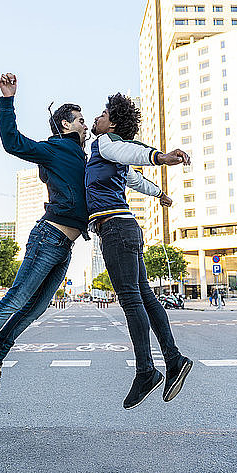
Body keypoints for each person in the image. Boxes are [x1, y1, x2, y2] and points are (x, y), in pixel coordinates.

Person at [0, 73, 89, 402]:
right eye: (80, 121)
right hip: (48, 238)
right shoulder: (54, 149)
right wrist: (7, 101)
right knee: (15, 300)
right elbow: (12, 142)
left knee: (35, 310)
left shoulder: (82, 158)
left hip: (65, 248)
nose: (85, 126)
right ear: (64, 125)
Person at [85, 93, 193, 409]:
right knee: (144, 295)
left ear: (113, 124)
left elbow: (133, 152)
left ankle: (146, 370)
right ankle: (173, 361)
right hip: (127, 229)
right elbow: (135, 179)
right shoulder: (108, 157)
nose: (98, 117)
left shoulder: (106, 143)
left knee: (132, 299)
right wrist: (161, 193)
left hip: (116, 230)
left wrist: (160, 157)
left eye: (103, 114)